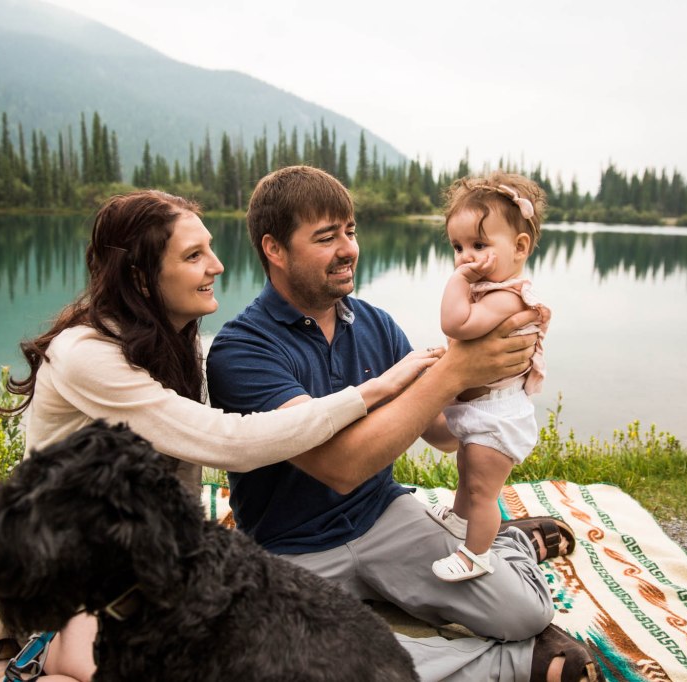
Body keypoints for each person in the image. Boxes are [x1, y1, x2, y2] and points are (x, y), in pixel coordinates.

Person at [0, 190, 439, 682]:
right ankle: (25, 658)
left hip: (140, 559)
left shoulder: (177, 340)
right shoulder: (87, 354)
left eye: (211, 249)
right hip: (62, 565)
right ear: (142, 277)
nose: (217, 266)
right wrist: (372, 391)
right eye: (193, 255)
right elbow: (229, 442)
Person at [207, 166, 604, 682]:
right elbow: (338, 467)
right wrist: (452, 372)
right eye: (326, 237)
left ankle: (507, 543)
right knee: (270, 664)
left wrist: (491, 382)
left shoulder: (374, 324)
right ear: (274, 249)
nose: (348, 249)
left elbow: (440, 435)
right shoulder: (242, 349)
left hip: (384, 516)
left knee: (527, 612)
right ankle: (515, 663)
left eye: (350, 231)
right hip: (292, 550)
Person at [428, 173, 557, 583]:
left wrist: (457, 280)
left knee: (484, 490)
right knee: (467, 472)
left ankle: (476, 554)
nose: (466, 257)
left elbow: (456, 323)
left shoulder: (506, 296)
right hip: (483, 408)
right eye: (458, 247)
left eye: (479, 246)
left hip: (497, 416)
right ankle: (460, 520)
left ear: (519, 248)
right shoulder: (492, 290)